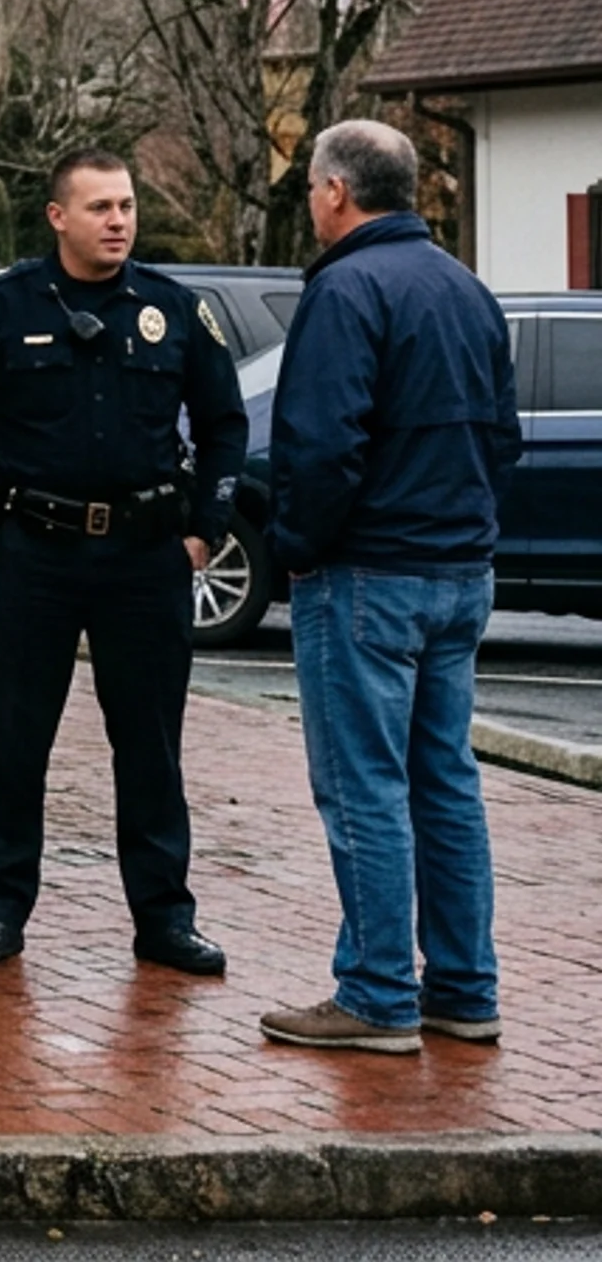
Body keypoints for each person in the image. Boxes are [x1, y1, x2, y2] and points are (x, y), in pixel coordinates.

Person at [0, 149, 244, 973]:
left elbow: (223, 426)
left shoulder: (173, 310)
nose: (119, 221)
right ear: (58, 217)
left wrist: (204, 527)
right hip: (35, 555)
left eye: (127, 206)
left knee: (150, 748)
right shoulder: (0, 310)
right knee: (14, 742)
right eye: (100, 207)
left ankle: (165, 919)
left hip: (145, 556)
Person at [257, 119, 521, 1056]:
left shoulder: (347, 289)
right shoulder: (466, 290)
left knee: (365, 786)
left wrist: (297, 545)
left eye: (313, 190)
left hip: (366, 573)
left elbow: (323, 444)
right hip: (458, 570)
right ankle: (464, 986)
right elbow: (502, 438)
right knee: (446, 782)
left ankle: (375, 994)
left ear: (336, 191)